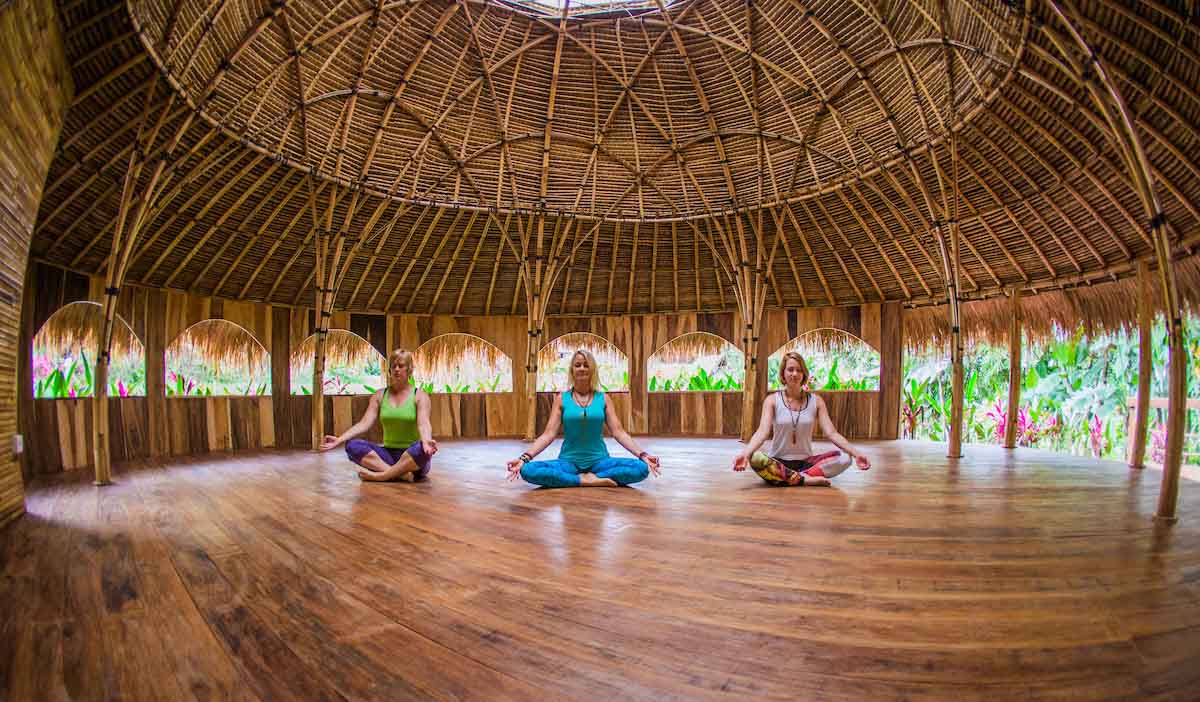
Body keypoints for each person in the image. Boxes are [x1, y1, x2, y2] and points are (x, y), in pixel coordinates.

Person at [507, 349, 660, 487]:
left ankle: (584, 478)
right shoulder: (562, 398)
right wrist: (523, 458)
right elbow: (549, 434)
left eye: (586, 365)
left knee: (640, 469)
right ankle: (584, 480)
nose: (581, 368)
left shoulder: (603, 398)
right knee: (528, 470)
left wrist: (643, 455)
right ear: (572, 370)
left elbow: (619, 432)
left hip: (600, 462)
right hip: (568, 462)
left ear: (592, 369)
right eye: (577, 365)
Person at [732, 351, 870, 486]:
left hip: (807, 462)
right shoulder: (772, 400)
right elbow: (762, 432)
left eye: (799, 370)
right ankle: (804, 479)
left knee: (845, 458)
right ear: (783, 374)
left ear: (803, 374)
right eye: (790, 369)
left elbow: (831, 433)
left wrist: (857, 454)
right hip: (779, 462)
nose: (794, 374)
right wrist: (745, 454)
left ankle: (792, 478)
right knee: (755, 458)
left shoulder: (816, 401)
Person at [320, 349, 437, 482]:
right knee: (352, 445)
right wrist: (339, 439)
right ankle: (399, 474)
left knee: (421, 448)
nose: (397, 369)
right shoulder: (380, 395)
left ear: (409, 370)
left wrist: (426, 442)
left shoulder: (419, 396)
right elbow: (364, 423)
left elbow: (424, 424)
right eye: (393, 366)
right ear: (389, 370)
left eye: (401, 366)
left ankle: (382, 475)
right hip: (388, 455)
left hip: (412, 458)